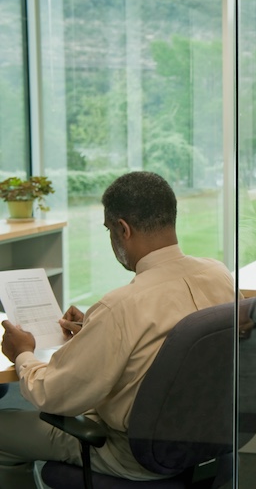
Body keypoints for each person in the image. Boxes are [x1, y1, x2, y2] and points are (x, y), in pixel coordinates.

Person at [0, 171, 237, 487]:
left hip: (132, 454)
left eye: (109, 230)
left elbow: (53, 395)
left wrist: (23, 353)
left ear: (122, 229)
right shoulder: (219, 275)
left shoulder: (123, 305)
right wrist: (93, 328)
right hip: (205, 442)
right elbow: (173, 341)